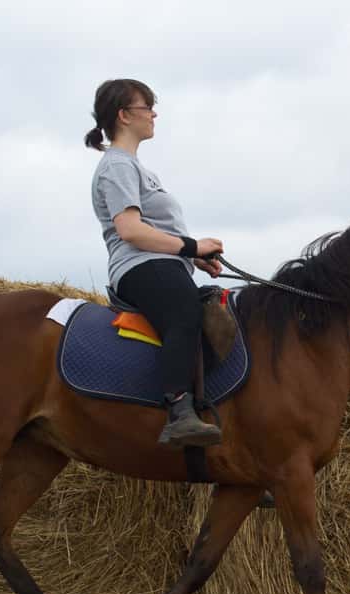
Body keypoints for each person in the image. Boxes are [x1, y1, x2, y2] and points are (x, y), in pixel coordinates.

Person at [85, 78, 225, 446]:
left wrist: (194, 255)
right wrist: (191, 246)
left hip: (161, 264)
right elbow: (131, 230)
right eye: (147, 107)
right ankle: (179, 410)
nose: (154, 114)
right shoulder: (117, 166)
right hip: (139, 266)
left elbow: (157, 231)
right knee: (185, 314)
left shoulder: (136, 168)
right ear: (124, 115)